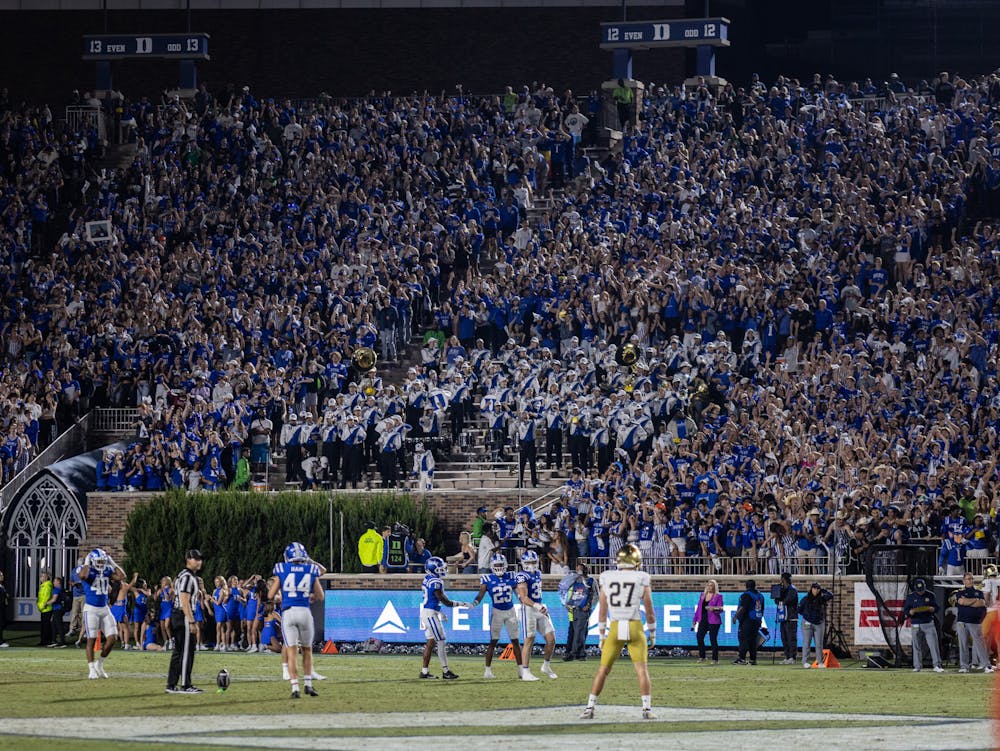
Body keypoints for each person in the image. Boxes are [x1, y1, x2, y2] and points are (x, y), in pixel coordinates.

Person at [581, 543, 656, 720]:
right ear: (636, 561)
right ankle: (646, 709)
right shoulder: (641, 577)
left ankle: (590, 707)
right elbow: (650, 610)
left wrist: (601, 635)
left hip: (614, 627)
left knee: (603, 670)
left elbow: (601, 610)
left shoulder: (607, 577)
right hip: (634, 625)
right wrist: (652, 633)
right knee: (641, 670)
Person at [268, 542, 324, 698]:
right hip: (305, 612)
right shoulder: (311, 569)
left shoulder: (282, 568)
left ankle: (295, 688)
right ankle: (308, 684)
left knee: (292, 651)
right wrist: (308, 595)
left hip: (289, 612)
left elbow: (270, 594)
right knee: (307, 650)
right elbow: (320, 596)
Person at [470, 553, 524, 678]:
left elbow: (518, 592)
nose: (499, 567)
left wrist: (522, 599)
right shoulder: (487, 579)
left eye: (501, 565)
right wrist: (475, 603)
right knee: (493, 642)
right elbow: (481, 594)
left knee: (515, 641)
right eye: (497, 565)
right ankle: (487, 671)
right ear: (492, 566)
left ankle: (521, 670)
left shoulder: (511, 576)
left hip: (511, 612)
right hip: (497, 612)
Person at [79, 548, 125, 678]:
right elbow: (82, 576)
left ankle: (100, 663)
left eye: (102, 561)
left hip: (104, 608)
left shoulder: (106, 570)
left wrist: (112, 562)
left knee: (113, 637)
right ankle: (91, 669)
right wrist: (87, 562)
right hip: (91, 609)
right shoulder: (87, 570)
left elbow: (122, 577)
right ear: (92, 561)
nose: (101, 564)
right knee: (91, 640)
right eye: (98, 561)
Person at [166, 549, 205, 694]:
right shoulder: (188, 577)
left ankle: (171, 685)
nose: (199, 562)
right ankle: (185, 685)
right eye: (196, 559)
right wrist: (191, 621)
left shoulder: (182, 575)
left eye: (200, 559)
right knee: (187, 652)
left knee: (179, 651)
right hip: (183, 615)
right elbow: (184, 600)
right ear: (188, 560)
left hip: (178, 614)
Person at [419, 556, 464, 679]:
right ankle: (445, 671)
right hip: (430, 614)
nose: (442, 570)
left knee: (431, 642)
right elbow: (446, 601)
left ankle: (424, 672)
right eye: (439, 569)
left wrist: (439, 612)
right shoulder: (436, 582)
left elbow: (434, 599)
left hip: (429, 612)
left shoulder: (428, 578)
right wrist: (461, 604)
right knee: (441, 641)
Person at [516, 549, 558, 681]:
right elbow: (523, 597)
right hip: (529, 609)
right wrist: (537, 606)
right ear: (523, 563)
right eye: (528, 562)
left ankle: (546, 666)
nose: (531, 565)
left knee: (551, 639)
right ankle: (525, 671)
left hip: (539, 607)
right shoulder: (522, 576)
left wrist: (540, 606)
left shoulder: (538, 573)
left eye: (533, 562)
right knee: (529, 639)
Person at [902, 577, 944, 673]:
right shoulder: (910, 597)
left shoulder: (930, 595)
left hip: (928, 623)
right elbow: (905, 610)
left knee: (933, 645)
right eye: (919, 590)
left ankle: (937, 665)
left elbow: (937, 607)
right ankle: (917, 666)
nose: (921, 592)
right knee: (916, 645)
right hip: (915, 623)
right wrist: (910, 612)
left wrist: (932, 609)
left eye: (922, 590)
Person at [954, 572, 992, 674]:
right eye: (968, 579)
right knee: (963, 644)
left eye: (971, 579)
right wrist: (975, 601)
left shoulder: (979, 592)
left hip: (975, 622)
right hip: (962, 621)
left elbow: (982, 603)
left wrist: (968, 602)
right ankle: (964, 666)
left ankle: (986, 665)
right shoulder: (959, 592)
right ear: (964, 581)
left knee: (980, 644)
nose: (970, 580)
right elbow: (961, 602)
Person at [563, 562, 597, 661]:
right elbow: (568, 591)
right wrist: (567, 603)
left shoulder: (591, 580)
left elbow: (596, 595)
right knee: (575, 631)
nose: (579, 571)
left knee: (579, 631)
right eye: (577, 569)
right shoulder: (574, 580)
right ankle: (580, 653)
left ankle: (574, 653)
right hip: (573, 608)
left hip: (583, 609)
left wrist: (589, 605)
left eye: (580, 569)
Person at [799, 582, 833, 668]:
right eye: (814, 588)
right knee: (806, 642)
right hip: (807, 622)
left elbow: (831, 595)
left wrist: (823, 590)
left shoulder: (822, 599)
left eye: (818, 589)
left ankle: (820, 662)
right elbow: (799, 609)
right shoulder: (805, 599)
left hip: (819, 623)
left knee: (819, 643)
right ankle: (805, 661)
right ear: (811, 589)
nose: (816, 590)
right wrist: (807, 615)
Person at [734, 579, 766, 665]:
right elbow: (762, 609)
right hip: (757, 619)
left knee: (743, 639)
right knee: (753, 640)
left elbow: (743, 607)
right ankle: (753, 659)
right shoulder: (760, 595)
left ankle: (742, 658)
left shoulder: (746, 595)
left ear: (746, 586)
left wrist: (736, 616)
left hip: (747, 620)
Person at [693, 578, 723, 664]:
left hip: (714, 620)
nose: (709, 587)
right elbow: (699, 608)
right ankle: (702, 656)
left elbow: (721, 608)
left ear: (714, 587)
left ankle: (715, 659)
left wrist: (712, 608)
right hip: (703, 619)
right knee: (699, 637)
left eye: (711, 585)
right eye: (708, 585)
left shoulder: (718, 596)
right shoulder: (702, 595)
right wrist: (695, 619)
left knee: (713, 639)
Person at [774, 572, 799, 664]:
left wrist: (781, 597)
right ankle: (787, 656)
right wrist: (777, 594)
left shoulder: (792, 589)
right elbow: (777, 601)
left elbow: (787, 601)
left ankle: (792, 657)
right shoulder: (784, 589)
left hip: (791, 617)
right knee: (784, 638)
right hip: (783, 616)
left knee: (791, 638)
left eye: (783, 579)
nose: (782, 581)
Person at [37, 571, 53, 646]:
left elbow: (46, 597)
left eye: (43, 576)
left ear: (46, 578)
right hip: (43, 608)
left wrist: (42, 606)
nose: (41, 578)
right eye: (41, 576)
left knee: (46, 626)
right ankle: (43, 641)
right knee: (44, 625)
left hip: (46, 608)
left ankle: (47, 641)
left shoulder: (47, 586)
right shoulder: (43, 585)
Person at [0, 570, 8, 647]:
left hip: (2, 609)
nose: (3, 577)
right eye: (1, 575)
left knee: (1, 624)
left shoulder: (2, 586)